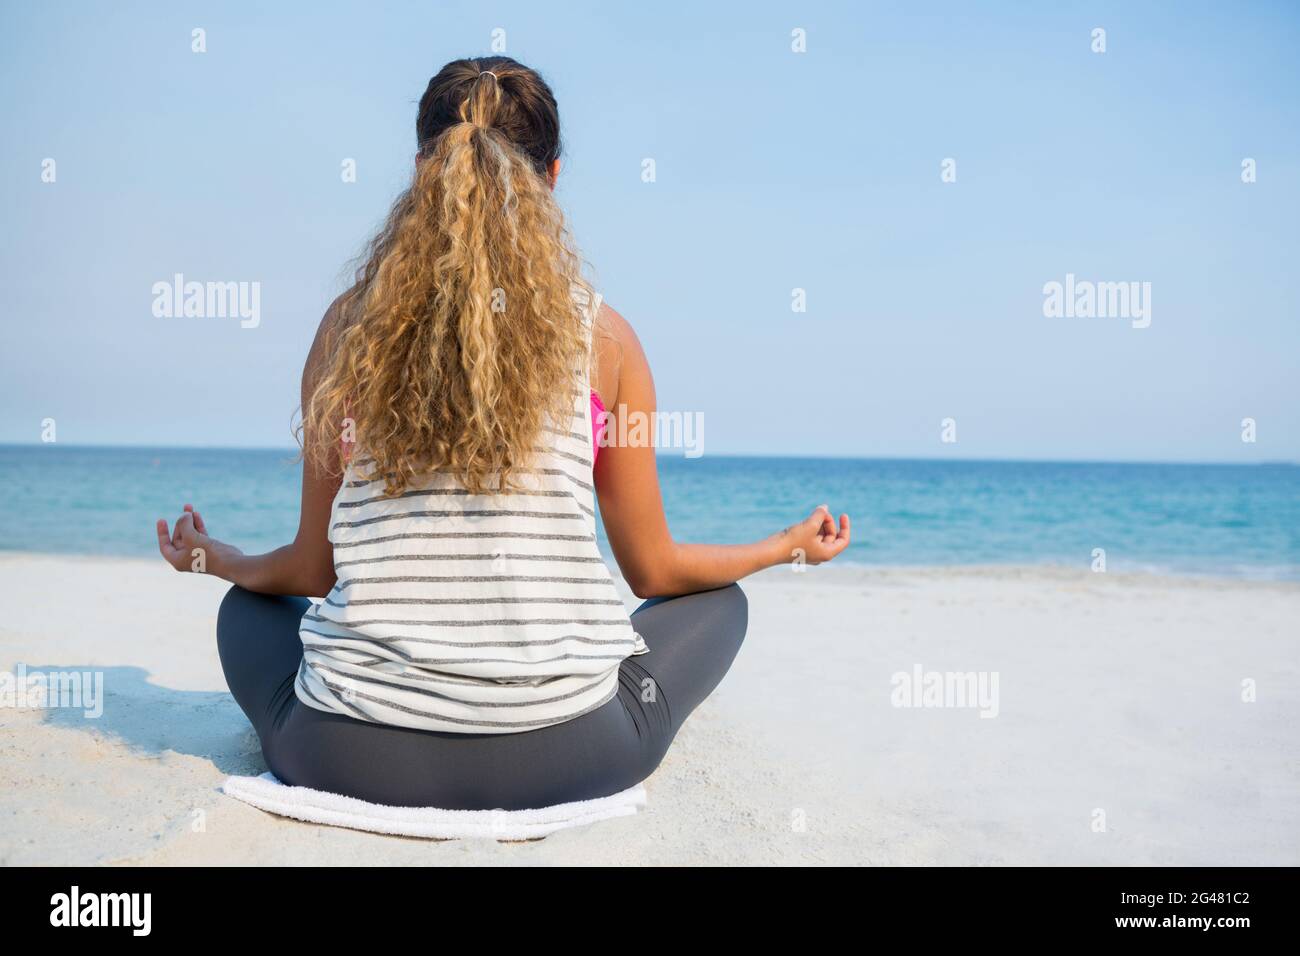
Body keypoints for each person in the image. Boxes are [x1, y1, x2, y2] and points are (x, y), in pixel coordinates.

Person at [156, 56, 850, 810]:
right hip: (573, 758)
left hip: (345, 757)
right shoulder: (605, 341)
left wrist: (218, 559)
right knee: (722, 604)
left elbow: (312, 570)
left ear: (423, 166)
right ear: (552, 177)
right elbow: (653, 572)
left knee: (247, 610)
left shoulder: (347, 332)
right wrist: (784, 548)